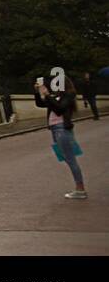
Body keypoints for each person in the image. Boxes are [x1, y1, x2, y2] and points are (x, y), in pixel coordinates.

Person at [35, 70, 87, 199]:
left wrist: (47, 95)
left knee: (70, 159)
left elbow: (59, 109)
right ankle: (79, 187)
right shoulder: (57, 96)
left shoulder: (69, 95)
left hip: (62, 128)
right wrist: (38, 92)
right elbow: (41, 103)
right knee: (65, 157)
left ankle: (80, 189)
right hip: (55, 129)